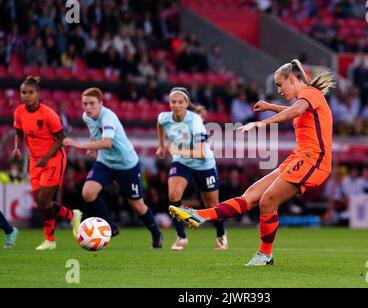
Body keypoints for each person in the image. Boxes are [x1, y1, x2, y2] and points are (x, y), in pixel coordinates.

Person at [170, 60, 335, 266]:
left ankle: (265, 255)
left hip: (314, 160)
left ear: (292, 79)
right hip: (299, 157)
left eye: (279, 84)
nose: (278, 89)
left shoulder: (310, 94)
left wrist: (263, 121)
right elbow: (295, 109)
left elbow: (295, 111)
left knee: (268, 201)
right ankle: (200, 216)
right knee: (250, 196)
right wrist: (269, 107)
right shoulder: (307, 98)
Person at [63, 88, 163, 249]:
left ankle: (156, 234)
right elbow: (94, 132)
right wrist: (91, 147)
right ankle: (110, 226)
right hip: (106, 162)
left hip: (127, 164)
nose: (88, 107)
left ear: (101, 103)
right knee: (88, 193)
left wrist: (81, 145)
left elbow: (107, 142)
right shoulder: (86, 116)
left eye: (92, 103)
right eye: (85, 104)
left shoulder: (108, 117)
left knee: (137, 206)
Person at [13, 76, 82, 250]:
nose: (27, 96)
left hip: (53, 159)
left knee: (44, 198)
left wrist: (45, 158)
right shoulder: (19, 112)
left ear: (37, 94)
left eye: (30, 92)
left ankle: (50, 241)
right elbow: (19, 132)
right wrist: (17, 148)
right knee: (40, 202)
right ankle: (72, 215)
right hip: (35, 161)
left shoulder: (49, 114)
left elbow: (61, 139)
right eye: (23, 92)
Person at [157, 87, 227, 250]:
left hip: (204, 164)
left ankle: (221, 234)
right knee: (173, 195)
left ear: (187, 104)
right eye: (173, 102)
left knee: (213, 204)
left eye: (180, 102)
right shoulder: (164, 117)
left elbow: (202, 153)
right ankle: (181, 237)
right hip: (182, 162)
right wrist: (161, 146)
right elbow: (159, 124)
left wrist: (176, 150)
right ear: (169, 103)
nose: (176, 105)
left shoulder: (195, 120)